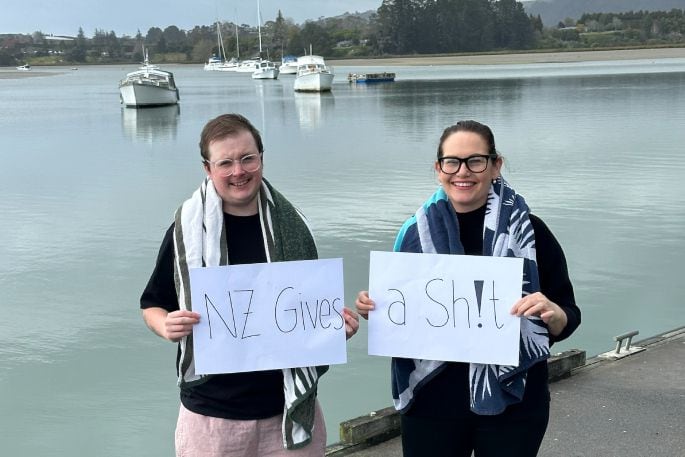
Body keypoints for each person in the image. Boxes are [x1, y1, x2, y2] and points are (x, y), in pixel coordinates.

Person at [356, 120, 580, 457]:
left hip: (514, 402)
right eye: (452, 162)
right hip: (431, 404)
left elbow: (568, 316)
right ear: (438, 168)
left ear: (495, 165)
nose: (463, 172)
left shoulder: (530, 233)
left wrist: (554, 314)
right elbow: (403, 316)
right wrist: (374, 308)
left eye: (476, 161)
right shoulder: (414, 235)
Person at [140, 113, 359, 457]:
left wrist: (334, 331)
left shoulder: (294, 227)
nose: (238, 171)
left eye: (247, 158)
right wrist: (165, 325)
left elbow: (307, 311)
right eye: (225, 162)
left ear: (261, 158)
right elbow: (152, 304)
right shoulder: (187, 231)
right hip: (212, 416)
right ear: (207, 169)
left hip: (286, 408)